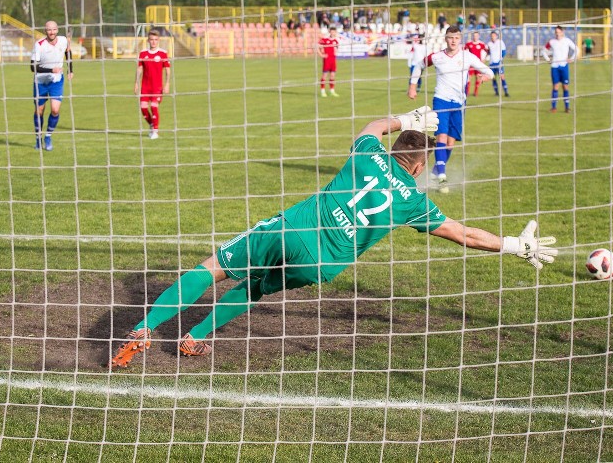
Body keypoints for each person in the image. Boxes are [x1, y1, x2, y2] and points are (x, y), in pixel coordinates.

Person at [109, 108, 557, 366]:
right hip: (322, 263)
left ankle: (146, 328)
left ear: (396, 149)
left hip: (291, 228)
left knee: (211, 268)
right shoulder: (414, 203)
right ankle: (195, 336)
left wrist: (405, 117)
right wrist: (516, 245)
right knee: (257, 288)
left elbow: (372, 127)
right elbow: (465, 235)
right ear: (419, 167)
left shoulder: (367, 153)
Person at [407, 26, 494, 194]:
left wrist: (485, 77)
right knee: (442, 135)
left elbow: (489, 71)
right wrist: (412, 86)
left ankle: (434, 173)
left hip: (460, 103)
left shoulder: (467, 56)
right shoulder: (437, 57)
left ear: (460, 39)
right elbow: (419, 66)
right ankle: (442, 177)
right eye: (450, 38)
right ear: (445, 39)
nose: (453, 41)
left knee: (451, 142)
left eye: (456, 38)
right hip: (441, 100)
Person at [30, 20, 72, 150]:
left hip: (56, 81)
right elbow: (33, 67)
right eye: (49, 30)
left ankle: (48, 136)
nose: (51, 32)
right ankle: (38, 138)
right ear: (45, 31)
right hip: (40, 81)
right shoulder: (39, 45)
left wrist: (70, 69)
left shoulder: (63, 40)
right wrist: (50, 70)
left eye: (54, 29)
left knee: (55, 109)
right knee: (39, 111)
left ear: (57, 30)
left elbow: (68, 52)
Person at [134, 29, 171, 139]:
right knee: (143, 108)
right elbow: (139, 68)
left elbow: (168, 70)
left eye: (155, 40)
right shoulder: (143, 53)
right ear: (148, 41)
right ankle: (152, 124)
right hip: (145, 86)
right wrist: (136, 83)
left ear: (158, 40)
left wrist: (167, 84)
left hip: (157, 87)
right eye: (151, 40)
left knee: (154, 107)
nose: (153, 42)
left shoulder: (162, 53)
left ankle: (155, 131)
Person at [541, 26, 578, 113]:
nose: (557, 34)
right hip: (555, 67)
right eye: (556, 32)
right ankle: (554, 107)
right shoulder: (552, 42)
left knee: (565, 86)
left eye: (558, 32)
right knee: (555, 86)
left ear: (562, 32)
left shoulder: (567, 41)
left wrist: (572, 58)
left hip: (564, 66)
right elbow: (543, 50)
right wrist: (547, 59)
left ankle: (567, 107)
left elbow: (577, 50)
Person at [464, 31, 489, 97]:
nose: (475, 37)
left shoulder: (481, 44)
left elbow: (487, 51)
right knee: (468, 78)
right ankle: (467, 92)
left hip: (478, 64)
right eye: (474, 36)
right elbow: (464, 51)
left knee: (478, 78)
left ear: (478, 36)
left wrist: (484, 59)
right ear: (472, 36)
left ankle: (476, 92)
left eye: (476, 36)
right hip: (470, 64)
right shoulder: (469, 44)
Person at [317, 26, 340, 97]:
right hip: (327, 60)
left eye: (334, 32)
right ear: (329, 32)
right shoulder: (325, 39)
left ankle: (332, 91)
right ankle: (322, 91)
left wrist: (336, 52)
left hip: (333, 60)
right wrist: (321, 55)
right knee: (325, 75)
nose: (333, 33)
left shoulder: (335, 41)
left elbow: (336, 48)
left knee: (332, 76)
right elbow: (317, 46)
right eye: (332, 32)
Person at [487, 31, 510, 97]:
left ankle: (506, 92)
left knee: (502, 77)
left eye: (494, 36)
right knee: (493, 78)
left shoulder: (500, 42)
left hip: (499, 63)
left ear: (496, 36)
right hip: (491, 64)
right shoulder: (489, 43)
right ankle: (496, 92)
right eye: (492, 36)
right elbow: (488, 52)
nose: (493, 37)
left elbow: (504, 52)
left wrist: (500, 59)